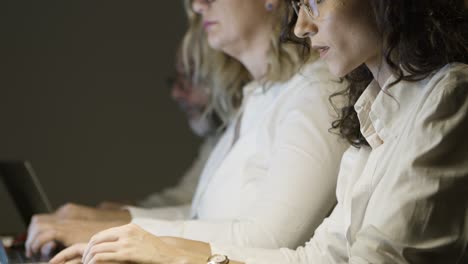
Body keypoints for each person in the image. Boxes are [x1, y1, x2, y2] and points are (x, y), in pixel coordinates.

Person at [51, 0, 468, 263]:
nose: (301, 26)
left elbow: (371, 260)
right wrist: (153, 246)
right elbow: (320, 256)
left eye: (316, 2)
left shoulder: (448, 94)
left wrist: (172, 254)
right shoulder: (371, 110)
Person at [27, 0, 349, 257]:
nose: (198, 4)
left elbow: (268, 239)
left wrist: (125, 232)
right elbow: (205, 220)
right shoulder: (260, 96)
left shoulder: (316, 91)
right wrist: (114, 223)